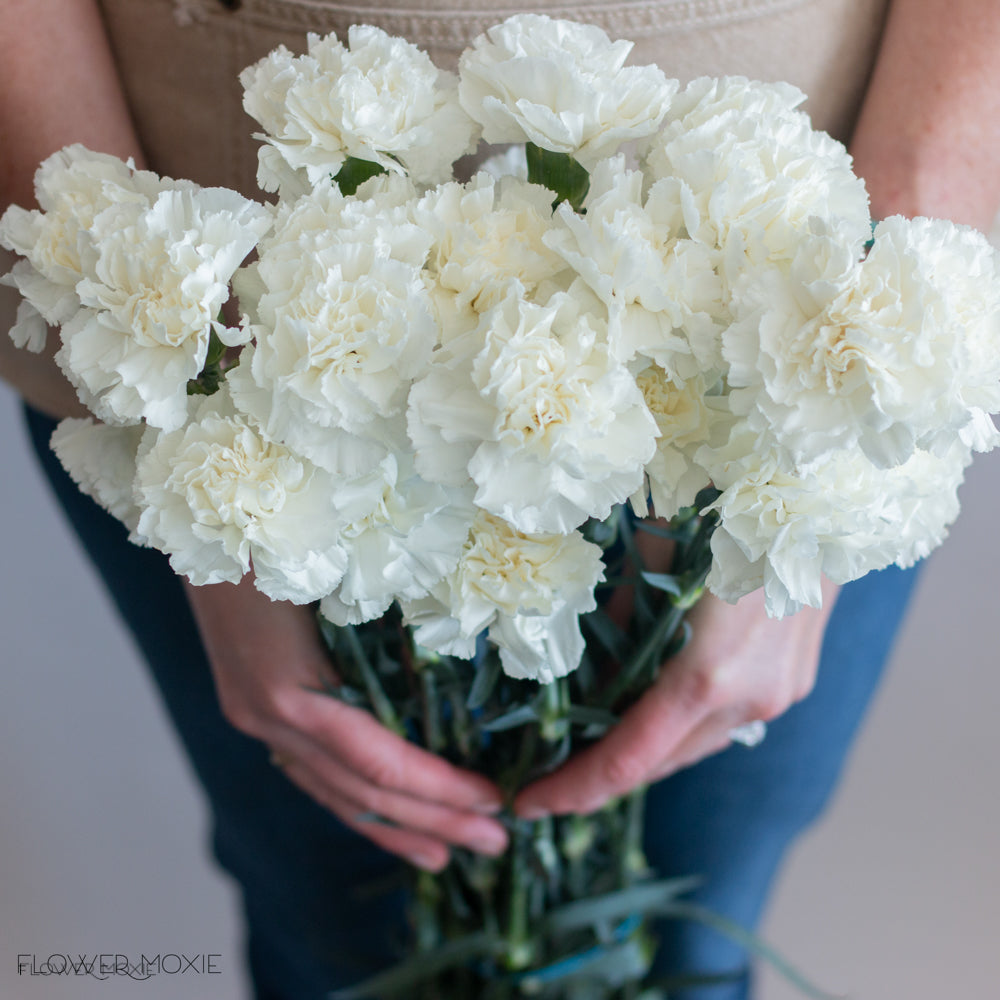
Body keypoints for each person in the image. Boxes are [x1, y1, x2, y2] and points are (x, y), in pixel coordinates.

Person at [1, 1, 998, 998]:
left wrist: (860, 372)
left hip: (803, 252)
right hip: (210, 242)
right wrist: (208, 460)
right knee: (331, 912)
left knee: (695, 917)